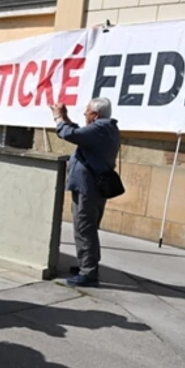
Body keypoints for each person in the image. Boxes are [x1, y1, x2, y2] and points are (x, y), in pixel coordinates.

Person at [51, 97, 121, 288]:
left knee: (84, 228)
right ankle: (87, 265)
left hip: (88, 188)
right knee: (87, 228)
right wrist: (65, 117)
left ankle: (88, 273)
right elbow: (79, 133)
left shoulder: (100, 128)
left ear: (96, 114)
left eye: (87, 111)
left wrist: (58, 118)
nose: (84, 114)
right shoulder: (105, 129)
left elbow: (69, 134)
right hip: (91, 188)